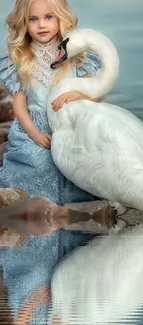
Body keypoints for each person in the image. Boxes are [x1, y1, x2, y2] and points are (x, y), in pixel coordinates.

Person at [0, 0, 102, 204]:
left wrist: (76, 96)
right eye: (33, 19)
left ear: (61, 18)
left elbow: (96, 95)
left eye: (49, 17)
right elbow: (19, 106)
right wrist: (34, 133)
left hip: (71, 127)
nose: (41, 25)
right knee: (38, 162)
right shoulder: (22, 60)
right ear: (23, 23)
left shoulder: (76, 55)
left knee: (77, 165)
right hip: (35, 129)